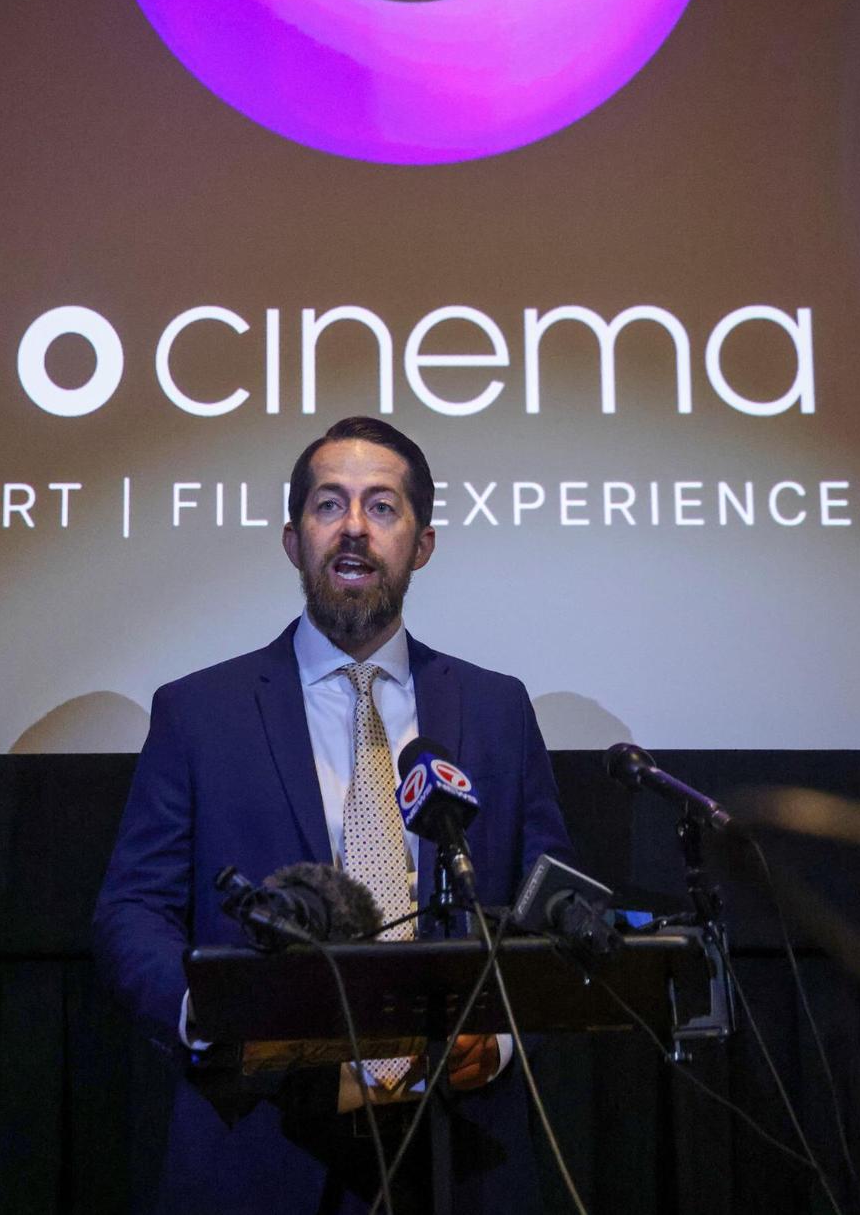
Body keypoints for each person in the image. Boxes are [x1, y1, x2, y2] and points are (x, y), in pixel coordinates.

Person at [94, 417, 573, 1214]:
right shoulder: (199, 712)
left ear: (422, 544)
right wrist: (215, 1012)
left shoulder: (495, 708)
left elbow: (544, 901)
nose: (354, 526)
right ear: (294, 540)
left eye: (381, 506)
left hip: (461, 1151)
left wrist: (500, 1036)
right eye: (329, 504)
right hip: (262, 1146)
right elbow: (132, 909)